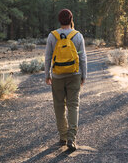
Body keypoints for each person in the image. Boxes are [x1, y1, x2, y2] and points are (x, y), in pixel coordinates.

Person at [44, 9, 87, 151]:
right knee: (73, 105)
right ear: (71, 19)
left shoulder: (52, 36)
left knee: (59, 106)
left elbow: (48, 57)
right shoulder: (78, 36)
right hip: (74, 74)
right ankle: (72, 138)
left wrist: (47, 75)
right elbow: (82, 58)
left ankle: (63, 136)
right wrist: (84, 75)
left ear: (59, 20)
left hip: (57, 76)